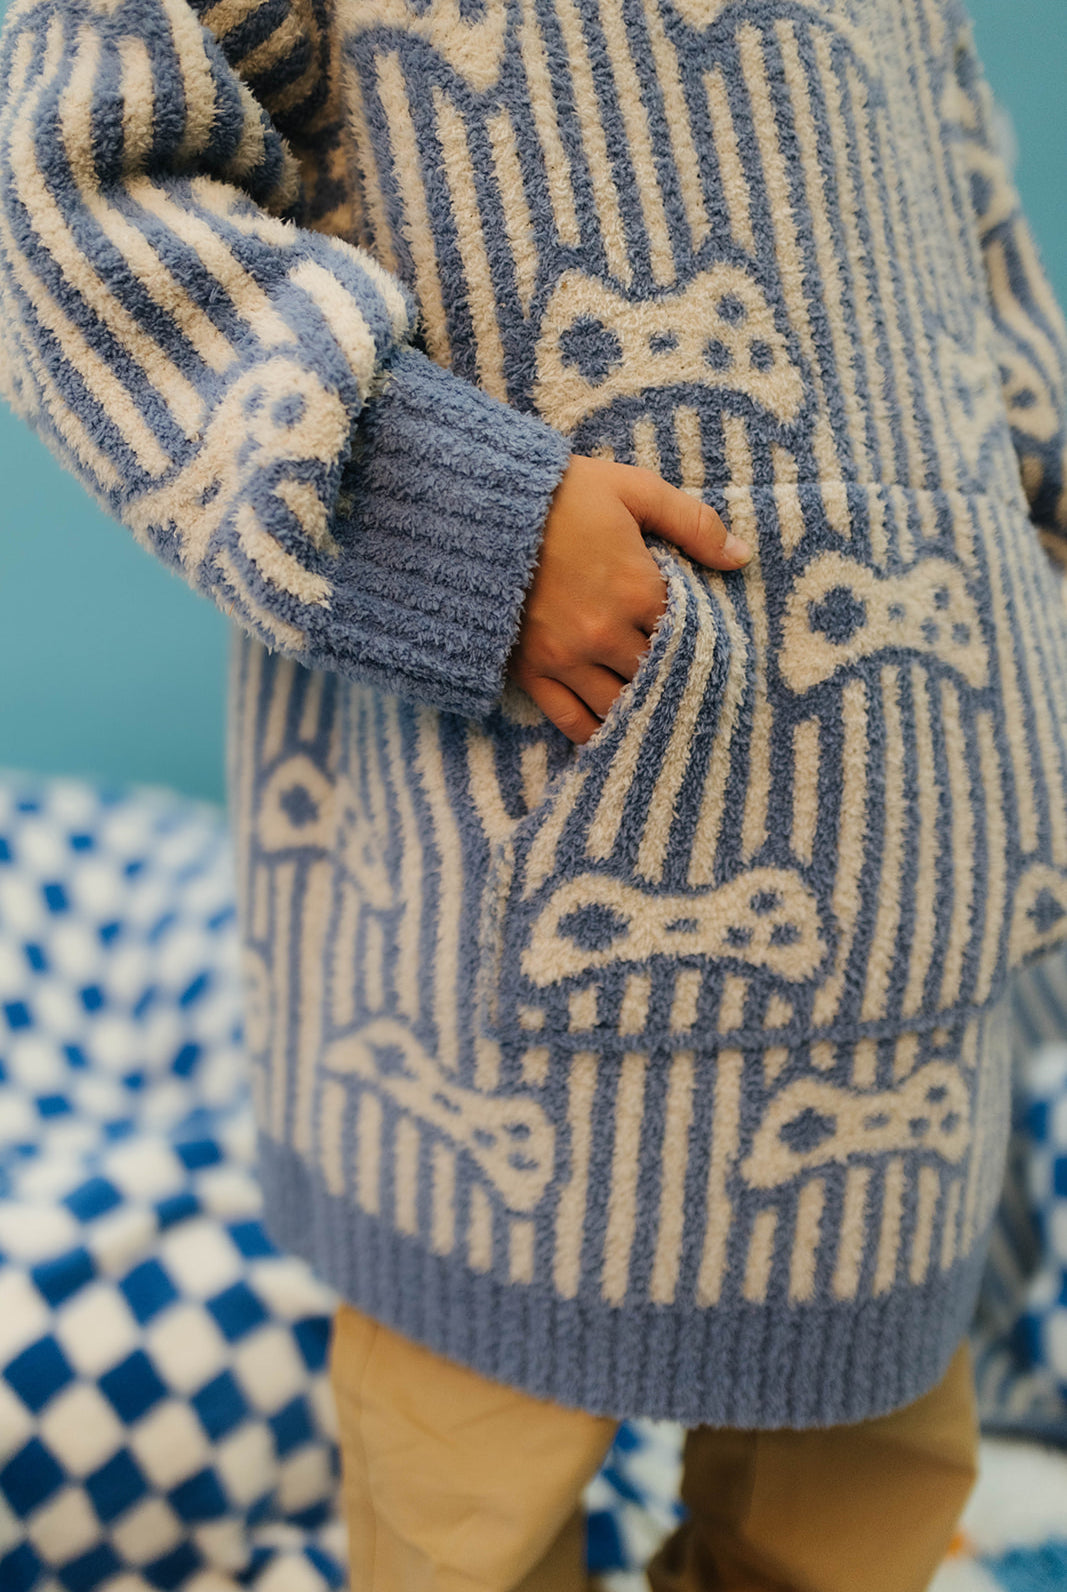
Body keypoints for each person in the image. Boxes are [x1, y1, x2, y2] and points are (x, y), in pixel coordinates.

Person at [2, 0, 1067, 1585]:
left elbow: (980, 250)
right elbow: (73, 194)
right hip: (500, 940)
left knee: (872, 1491)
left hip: (909, 898)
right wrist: (450, 516)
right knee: (468, 1502)